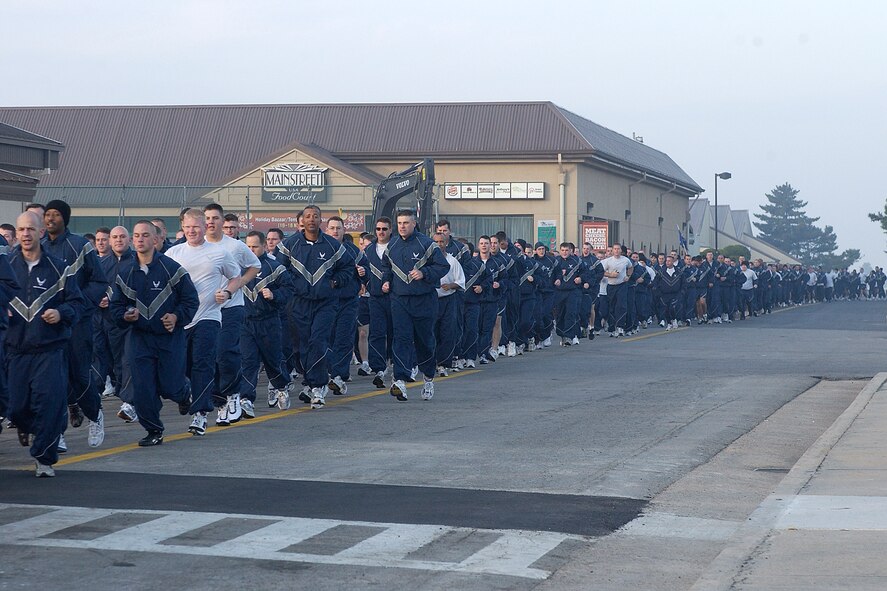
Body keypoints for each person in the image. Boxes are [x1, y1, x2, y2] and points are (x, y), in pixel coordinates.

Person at [7, 211, 84, 476]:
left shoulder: (59, 267)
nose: (25, 234)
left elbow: (77, 303)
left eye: (30, 229)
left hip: (49, 350)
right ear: (16, 234)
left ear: (41, 232)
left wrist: (61, 313)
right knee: (14, 407)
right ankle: (28, 426)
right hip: (14, 351)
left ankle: (44, 458)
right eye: (21, 230)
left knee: (49, 404)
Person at [111, 220, 199, 446]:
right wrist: (124, 315)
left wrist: (177, 317)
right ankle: (154, 430)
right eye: (136, 235)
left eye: (145, 235)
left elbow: (190, 300)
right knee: (142, 388)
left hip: (169, 338)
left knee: (170, 385)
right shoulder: (125, 271)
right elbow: (116, 306)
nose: (140, 239)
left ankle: (183, 393)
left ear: (156, 239)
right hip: (139, 338)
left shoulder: (172, 268)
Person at [166, 208, 243, 436]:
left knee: (203, 363)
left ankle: (199, 414)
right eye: (187, 227)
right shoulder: (173, 253)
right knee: (182, 367)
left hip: (208, 316)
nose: (192, 231)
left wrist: (227, 293)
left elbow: (235, 277)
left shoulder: (219, 253)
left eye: (196, 226)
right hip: (181, 319)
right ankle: (213, 395)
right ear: (182, 227)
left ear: (205, 226)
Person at [42, 199, 108, 450]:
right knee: (54, 379)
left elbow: (99, 282)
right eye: (47, 215)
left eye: (56, 215)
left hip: (78, 322)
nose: (50, 219)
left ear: (65, 218)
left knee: (79, 376)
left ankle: (95, 414)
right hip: (50, 325)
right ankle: (56, 433)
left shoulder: (80, 246)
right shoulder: (40, 247)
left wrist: (80, 308)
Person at [279, 205, 353, 409]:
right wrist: (288, 287)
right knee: (301, 347)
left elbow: (348, 268)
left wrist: (335, 282)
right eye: (308, 216)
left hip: (325, 303)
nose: (311, 219)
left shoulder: (333, 245)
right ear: (302, 220)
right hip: (298, 303)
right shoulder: (290, 244)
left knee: (319, 342)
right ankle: (309, 380)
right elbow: (278, 269)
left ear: (321, 220)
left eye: (316, 216)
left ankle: (318, 386)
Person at [381, 209, 449, 401]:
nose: (402, 226)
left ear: (414, 223)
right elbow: (386, 266)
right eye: (400, 223)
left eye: (406, 223)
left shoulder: (426, 243)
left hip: (424, 300)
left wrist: (424, 273)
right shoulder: (392, 244)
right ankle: (400, 380)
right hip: (399, 300)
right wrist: (386, 281)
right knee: (401, 338)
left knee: (424, 341)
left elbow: (443, 266)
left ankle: (428, 378)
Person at [203, 204, 261, 426]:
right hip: (205, 311)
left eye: (215, 218)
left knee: (227, 352)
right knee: (210, 357)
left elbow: (254, 266)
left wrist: (237, 286)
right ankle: (221, 401)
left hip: (231, 307)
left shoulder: (235, 246)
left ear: (222, 221)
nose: (211, 222)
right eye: (207, 218)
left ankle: (234, 394)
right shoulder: (196, 246)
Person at [241, 231, 294, 414]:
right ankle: (246, 398)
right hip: (246, 322)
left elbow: (288, 290)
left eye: (254, 246)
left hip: (269, 321)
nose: (251, 250)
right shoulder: (239, 267)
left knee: (273, 360)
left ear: (264, 246)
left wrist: (274, 295)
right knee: (248, 361)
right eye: (247, 246)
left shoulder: (275, 267)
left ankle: (281, 387)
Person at [324, 216, 367, 395]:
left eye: (338, 228)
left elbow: (367, 270)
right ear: (327, 230)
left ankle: (339, 375)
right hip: (325, 301)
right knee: (327, 338)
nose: (335, 231)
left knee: (344, 337)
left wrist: (363, 273)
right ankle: (327, 371)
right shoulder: (322, 248)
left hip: (348, 301)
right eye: (332, 228)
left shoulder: (353, 251)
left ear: (344, 230)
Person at [364, 217, 395, 388]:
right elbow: (362, 271)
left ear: (390, 230)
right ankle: (378, 368)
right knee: (376, 332)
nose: (381, 232)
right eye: (378, 229)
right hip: (375, 297)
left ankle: (394, 362)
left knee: (394, 332)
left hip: (395, 297)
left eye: (384, 229)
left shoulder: (397, 246)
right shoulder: (368, 250)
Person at [433, 231, 465, 376]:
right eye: (437, 242)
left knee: (447, 332)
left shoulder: (453, 261)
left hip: (448, 300)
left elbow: (461, 281)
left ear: (446, 243)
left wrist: (451, 285)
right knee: (431, 332)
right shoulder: (427, 260)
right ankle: (429, 362)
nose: (439, 244)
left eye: (442, 242)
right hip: (430, 300)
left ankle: (443, 364)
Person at [602, 243, 632, 337]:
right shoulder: (608, 261)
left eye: (618, 249)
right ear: (612, 251)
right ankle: (612, 327)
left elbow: (631, 267)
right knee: (612, 306)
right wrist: (611, 275)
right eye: (614, 249)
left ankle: (620, 326)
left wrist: (628, 276)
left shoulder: (625, 260)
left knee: (621, 305)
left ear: (621, 250)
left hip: (622, 285)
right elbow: (601, 271)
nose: (616, 251)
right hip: (611, 285)